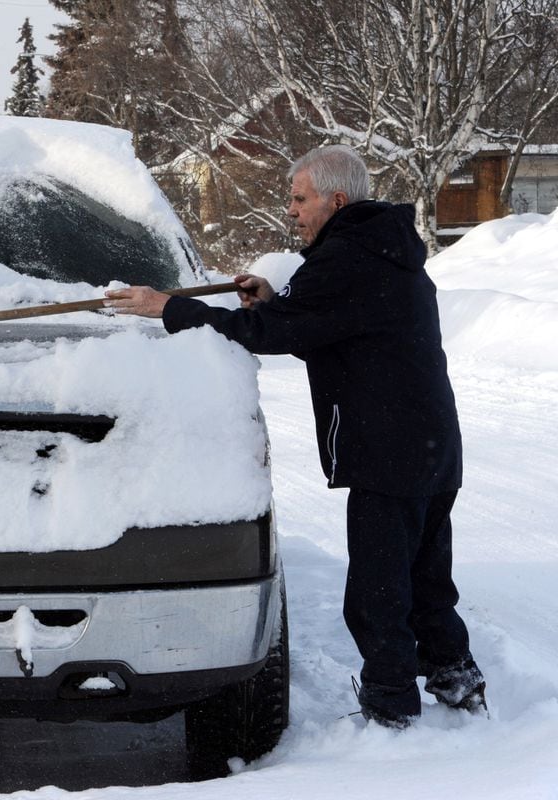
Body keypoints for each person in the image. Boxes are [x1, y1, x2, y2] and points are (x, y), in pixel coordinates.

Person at [105, 144, 486, 728]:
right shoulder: (384, 250)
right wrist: (278, 302)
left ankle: (392, 712)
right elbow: (325, 325)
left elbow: (265, 334)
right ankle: (457, 681)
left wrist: (169, 307)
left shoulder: (347, 260)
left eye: (300, 199)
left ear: (336, 200)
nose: (292, 210)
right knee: (425, 576)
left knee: (379, 593)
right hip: (428, 444)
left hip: (390, 451)